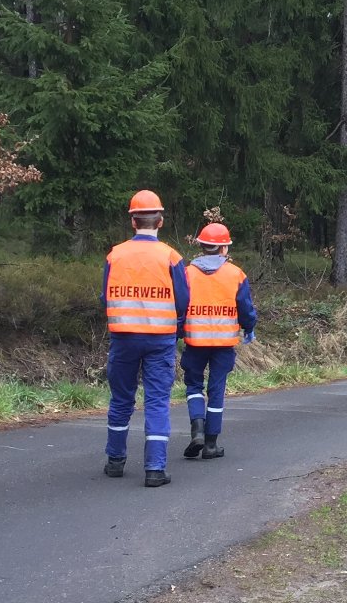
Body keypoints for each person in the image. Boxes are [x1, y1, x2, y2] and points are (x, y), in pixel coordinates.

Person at [101, 190, 189, 487]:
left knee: (121, 398)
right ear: (160, 221)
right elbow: (183, 300)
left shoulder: (115, 255)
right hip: (160, 339)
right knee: (157, 402)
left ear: (133, 221)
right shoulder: (171, 257)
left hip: (123, 337)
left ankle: (115, 461)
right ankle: (154, 468)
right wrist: (175, 329)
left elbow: (105, 296)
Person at [181, 222, 257, 460]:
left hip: (194, 342)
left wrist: (176, 332)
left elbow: (179, 306)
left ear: (202, 246)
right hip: (223, 344)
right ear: (224, 248)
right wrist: (249, 327)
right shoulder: (236, 274)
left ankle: (197, 430)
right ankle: (211, 445)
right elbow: (245, 308)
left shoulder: (187, 273)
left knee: (193, 386)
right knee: (216, 391)